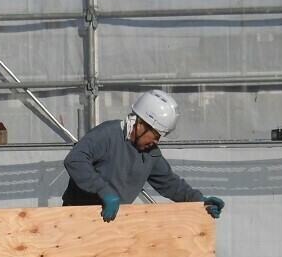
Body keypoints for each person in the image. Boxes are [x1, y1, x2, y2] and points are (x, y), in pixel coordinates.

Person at [61, 89, 224, 222]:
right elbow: (75, 160)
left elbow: (170, 183)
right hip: (76, 217)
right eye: (156, 135)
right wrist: (103, 191)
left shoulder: (150, 154)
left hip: (111, 221)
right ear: (140, 124)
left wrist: (199, 200)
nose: (156, 141)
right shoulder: (108, 134)